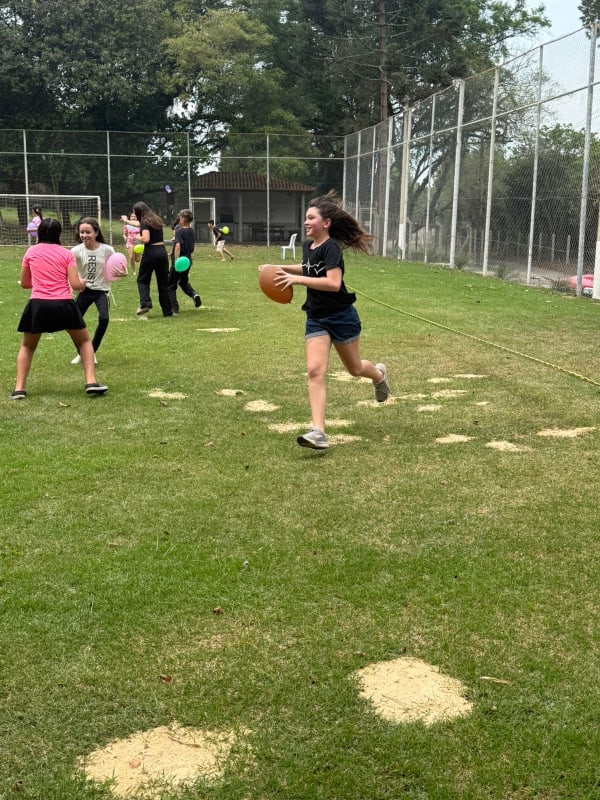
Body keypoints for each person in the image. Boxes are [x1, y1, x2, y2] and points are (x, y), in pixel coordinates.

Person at [258, 190, 390, 450]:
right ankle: (318, 431)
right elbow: (308, 268)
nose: (306, 222)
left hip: (341, 317)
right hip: (316, 318)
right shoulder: (309, 246)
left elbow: (332, 282)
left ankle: (378, 375)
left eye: (311, 218)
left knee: (354, 369)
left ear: (325, 223)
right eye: (305, 218)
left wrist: (296, 280)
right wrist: (277, 268)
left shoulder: (331, 248)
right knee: (314, 371)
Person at [11, 217, 108, 399]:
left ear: (39, 233)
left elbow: (25, 283)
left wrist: (41, 281)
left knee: (27, 346)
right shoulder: (66, 254)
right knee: (85, 341)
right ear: (59, 234)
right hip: (63, 304)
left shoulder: (31, 252)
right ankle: (91, 382)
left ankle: (19, 389)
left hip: (38, 304)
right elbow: (75, 285)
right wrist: (82, 282)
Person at [70, 217, 115, 365]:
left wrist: (121, 273)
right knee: (72, 322)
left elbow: (117, 269)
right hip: (85, 290)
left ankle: (91, 351)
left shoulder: (107, 250)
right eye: (81, 232)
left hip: (101, 291)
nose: (84, 235)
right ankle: (82, 352)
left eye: (87, 232)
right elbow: (70, 272)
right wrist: (73, 285)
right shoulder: (75, 251)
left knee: (104, 318)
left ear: (96, 232)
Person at [132, 201, 172, 317]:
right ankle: (167, 311)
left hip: (151, 252)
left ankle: (145, 304)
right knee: (163, 283)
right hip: (162, 252)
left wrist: (137, 236)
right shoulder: (156, 220)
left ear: (139, 213)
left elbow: (146, 239)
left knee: (142, 280)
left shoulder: (144, 222)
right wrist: (126, 221)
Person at [168, 209, 201, 313]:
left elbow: (177, 246)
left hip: (180, 261)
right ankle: (194, 294)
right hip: (188, 261)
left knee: (171, 284)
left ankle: (174, 307)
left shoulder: (179, 231)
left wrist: (176, 262)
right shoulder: (191, 231)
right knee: (183, 281)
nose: (179, 219)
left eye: (181, 217)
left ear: (184, 219)